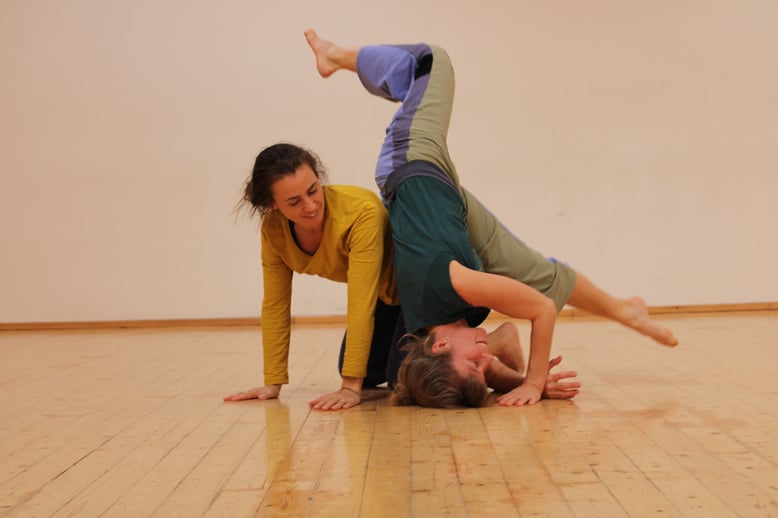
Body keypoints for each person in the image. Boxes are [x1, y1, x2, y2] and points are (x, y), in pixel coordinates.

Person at [303, 29, 678, 408]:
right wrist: (530, 384)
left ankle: (336, 56)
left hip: (412, 163)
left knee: (432, 61)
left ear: (441, 344)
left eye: (476, 362)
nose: (486, 359)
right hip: (453, 211)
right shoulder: (434, 331)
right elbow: (478, 368)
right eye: (485, 367)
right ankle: (624, 311)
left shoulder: (453, 284)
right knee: (537, 274)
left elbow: (542, 310)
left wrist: (535, 382)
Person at [222, 144, 577, 410]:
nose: (310, 205)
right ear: (272, 205)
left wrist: (349, 387)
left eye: (313, 190)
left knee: (402, 379)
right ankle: (497, 343)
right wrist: (273, 383)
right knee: (366, 369)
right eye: (294, 201)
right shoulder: (273, 232)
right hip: (387, 295)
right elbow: (275, 304)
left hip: (420, 289)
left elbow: (360, 300)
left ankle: (487, 347)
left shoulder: (359, 212)